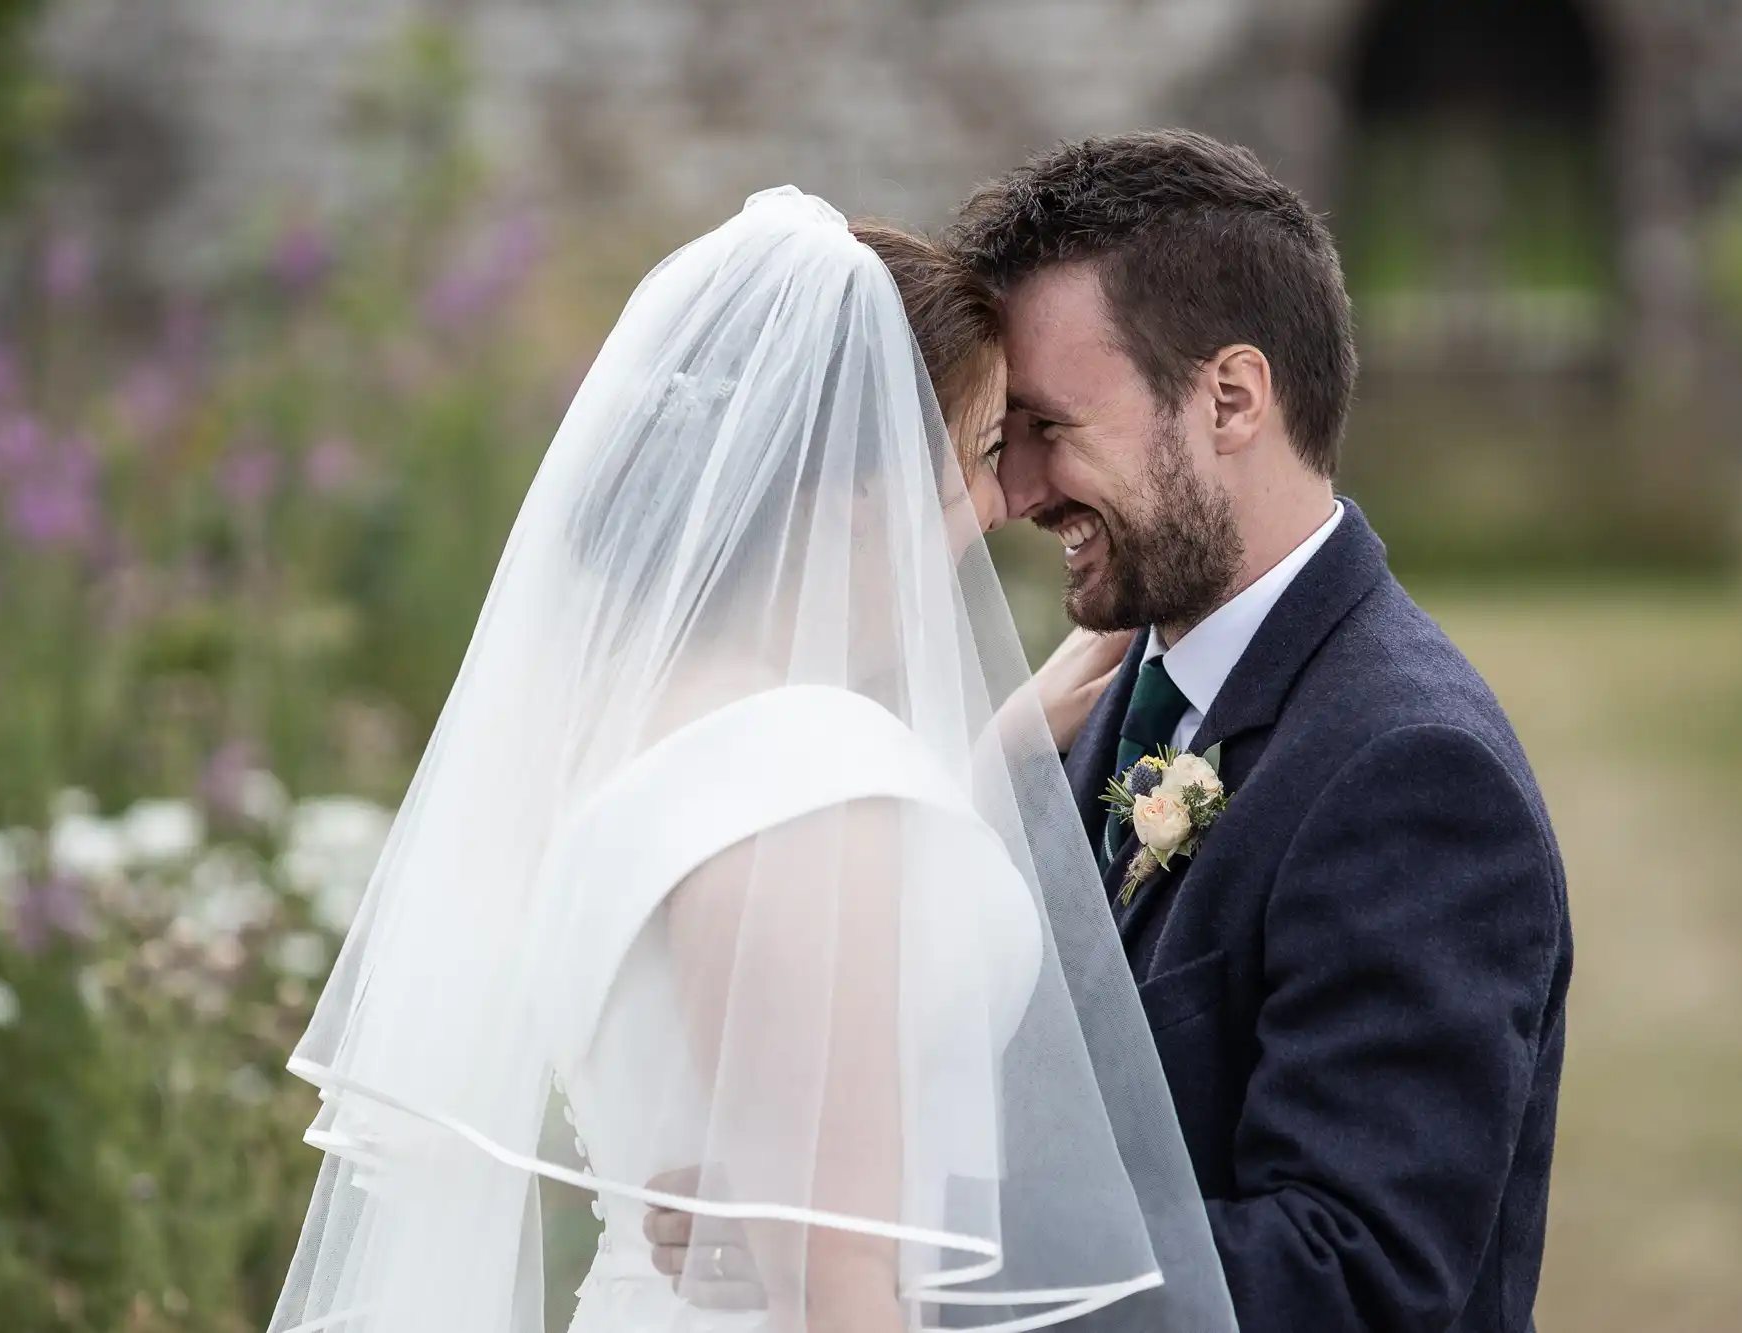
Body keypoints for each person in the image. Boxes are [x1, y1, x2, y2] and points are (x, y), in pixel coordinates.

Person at [264, 188, 1233, 1333]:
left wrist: (984, 763)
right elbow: (836, 1295)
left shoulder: (639, 734)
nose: (1004, 500)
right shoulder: (804, 775)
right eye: (978, 453)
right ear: (860, 490)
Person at [947, 129, 1574, 1333]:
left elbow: (1348, 1276)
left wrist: (909, 1238)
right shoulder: (1109, 690)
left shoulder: (1409, 772)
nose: (1017, 490)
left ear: (1229, 398)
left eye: (1048, 427)